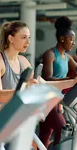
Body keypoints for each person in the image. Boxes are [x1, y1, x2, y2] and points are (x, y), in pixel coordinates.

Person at [0, 20, 77, 104]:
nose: (28, 42)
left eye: (29, 38)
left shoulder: (23, 61)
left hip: (16, 114)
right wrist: (24, 89)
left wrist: (72, 82)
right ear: (11, 38)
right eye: (24, 37)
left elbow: (43, 84)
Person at [39, 16, 77, 148]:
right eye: (71, 40)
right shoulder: (50, 54)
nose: (73, 43)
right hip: (48, 99)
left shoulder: (67, 57)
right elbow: (47, 79)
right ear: (62, 38)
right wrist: (68, 81)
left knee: (45, 134)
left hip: (58, 100)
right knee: (62, 130)